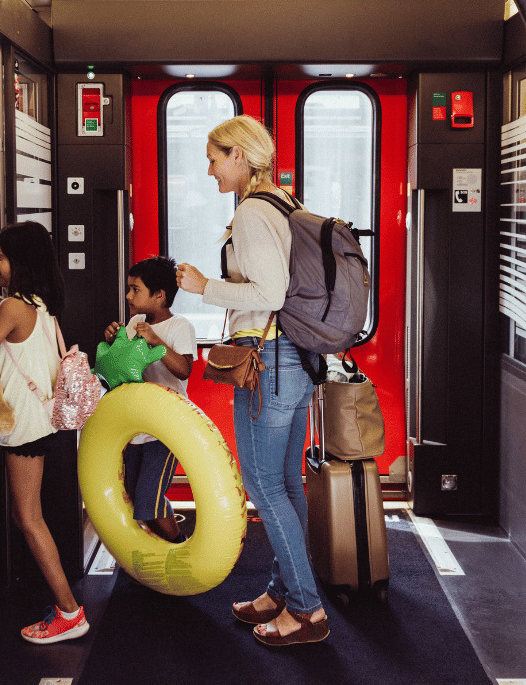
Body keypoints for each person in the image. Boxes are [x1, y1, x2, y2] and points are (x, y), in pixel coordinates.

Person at [176, 114, 329, 646]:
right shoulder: (285, 203)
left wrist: (204, 287)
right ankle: (281, 593)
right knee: (285, 483)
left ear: (239, 156)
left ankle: (307, 611)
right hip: (294, 358)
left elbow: (269, 294)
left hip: (271, 360)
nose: (211, 170)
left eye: (215, 158)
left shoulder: (253, 213)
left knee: (265, 486)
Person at [0, 221, 89, 645]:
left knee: (28, 518)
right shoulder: (41, 304)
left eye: (0, 256)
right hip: (36, 421)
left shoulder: (13, 308)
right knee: (24, 515)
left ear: (20, 261)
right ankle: (66, 608)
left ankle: (69, 612)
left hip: (22, 426)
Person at [103, 256, 197, 543]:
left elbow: (183, 370)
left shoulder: (180, 325)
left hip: (167, 428)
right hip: (136, 427)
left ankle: (179, 550)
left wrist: (156, 340)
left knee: (149, 498)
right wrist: (113, 343)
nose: (129, 296)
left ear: (159, 296)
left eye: (136, 290)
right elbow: (124, 369)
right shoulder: (133, 323)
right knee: (136, 495)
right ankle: (159, 557)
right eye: (129, 289)